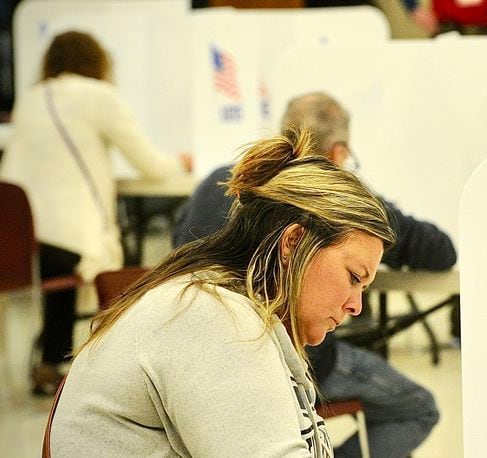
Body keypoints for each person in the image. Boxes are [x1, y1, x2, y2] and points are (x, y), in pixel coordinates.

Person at [50, 128, 395, 456]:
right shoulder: (215, 321)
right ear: (294, 242)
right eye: (353, 277)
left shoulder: (223, 307)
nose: (356, 306)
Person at [174, 92, 456, 458]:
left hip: (197, 349)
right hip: (276, 352)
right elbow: (439, 251)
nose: (355, 304)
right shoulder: (338, 206)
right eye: (355, 276)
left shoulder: (222, 181)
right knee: (418, 407)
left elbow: (181, 241)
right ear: (338, 153)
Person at [0, 31, 190, 395]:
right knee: (122, 271)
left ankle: (51, 359)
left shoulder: (31, 98)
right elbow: (149, 164)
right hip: (70, 239)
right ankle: (120, 367)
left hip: (26, 237)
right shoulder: (99, 96)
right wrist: (178, 162)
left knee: (61, 271)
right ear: (97, 62)